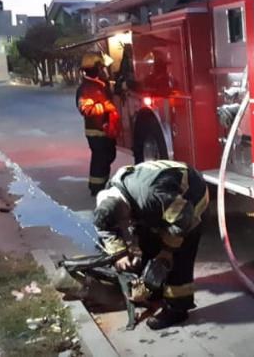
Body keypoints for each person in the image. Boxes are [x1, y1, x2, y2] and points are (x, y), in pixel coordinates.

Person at [93, 160, 209, 330]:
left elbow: (183, 221)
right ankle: (154, 288)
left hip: (191, 202)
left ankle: (177, 308)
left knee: (177, 258)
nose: (129, 223)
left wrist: (166, 252)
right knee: (148, 243)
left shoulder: (154, 194)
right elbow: (105, 227)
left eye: (127, 220)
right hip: (159, 202)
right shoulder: (110, 193)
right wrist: (120, 253)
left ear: (126, 209)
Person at [76, 53, 119, 196]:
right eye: (101, 67)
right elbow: (86, 109)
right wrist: (106, 107)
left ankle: (102, 184)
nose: (104, 70)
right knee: (100, 159)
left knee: (108, 156)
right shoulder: (87, 87)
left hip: (105, 129)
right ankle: (96, 188)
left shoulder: (99, 84)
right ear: (94, 69)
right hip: (95, 131)